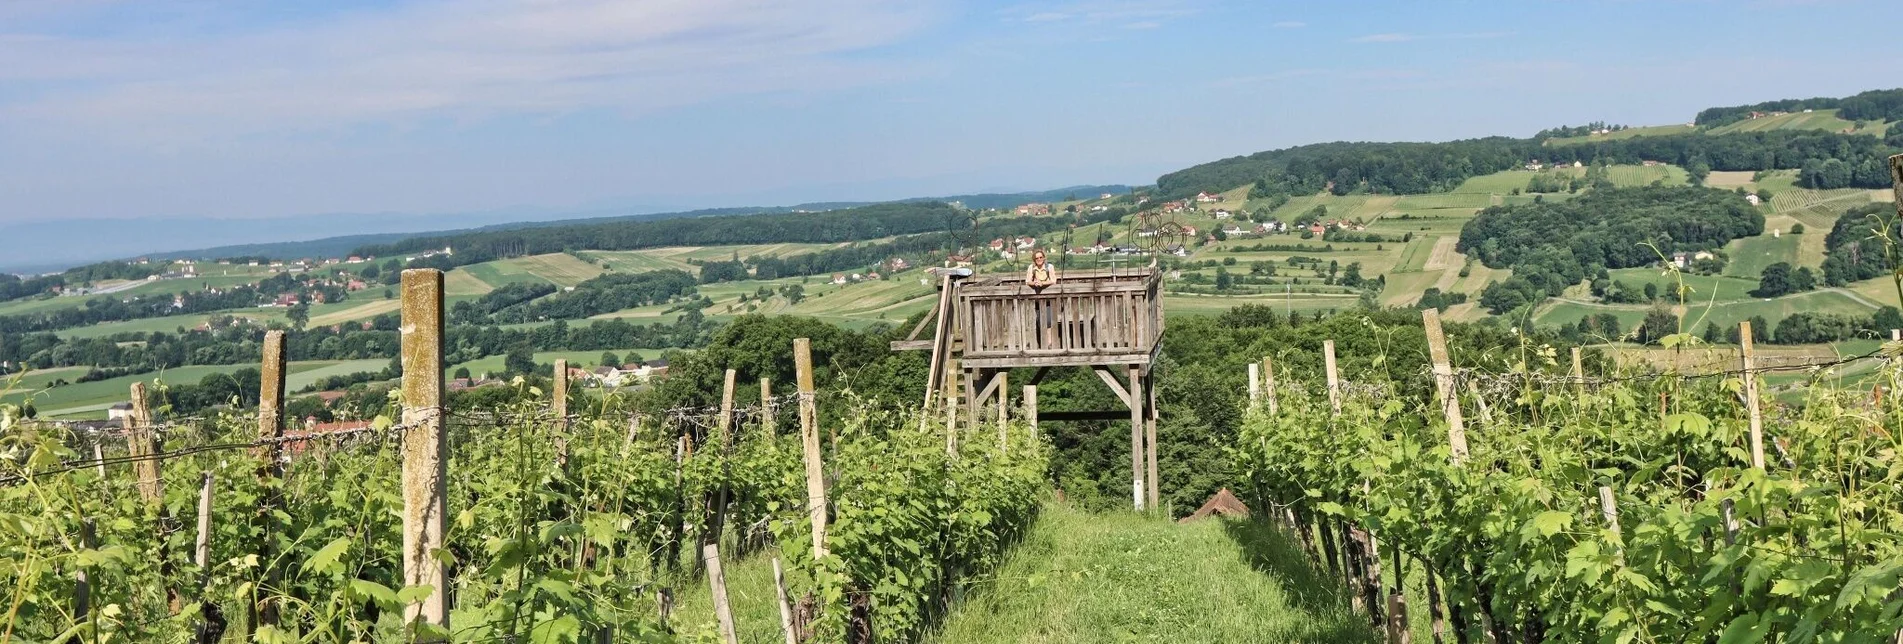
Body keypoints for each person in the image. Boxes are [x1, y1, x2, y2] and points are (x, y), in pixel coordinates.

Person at [1025, 249, 1057, 346]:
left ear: (1044, 258)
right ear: (1034, 260)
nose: (1039, 259)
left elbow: (1053, 280)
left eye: (1040, 257)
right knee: (1039, 320)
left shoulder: (1049, 267)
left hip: (1048, 298)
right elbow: (1027, 281)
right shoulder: (1031, 268)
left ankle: (1049, 342)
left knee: (1048, 321)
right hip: (1037, 298)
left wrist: (1042, 283)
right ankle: (1042, 342)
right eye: (1037, 258)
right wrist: (1034, 283)